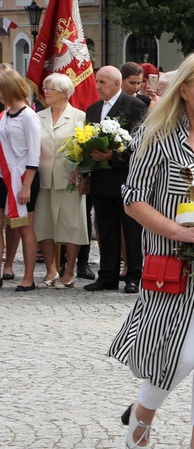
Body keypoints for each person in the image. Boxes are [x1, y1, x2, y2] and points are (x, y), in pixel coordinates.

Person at [107, 51, 194, 449]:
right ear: (184, 92)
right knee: (180, 353)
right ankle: (142, 414)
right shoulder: (157, 135)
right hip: (170, 262)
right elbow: (133, 200)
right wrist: (179, 231)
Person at [83, 66, 147, 293]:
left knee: (131, 230)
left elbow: (140, 144)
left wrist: (114, 156)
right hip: (100, 180)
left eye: (102, 82)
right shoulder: (92, 109)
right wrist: (84, 171)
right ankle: (107, 275)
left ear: (117, 84)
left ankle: (134, 276)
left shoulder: (135, 106)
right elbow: (85, 142)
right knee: (106, 228)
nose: (97, 86)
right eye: (97, 81)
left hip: (125, 178)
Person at [34, 73, 88, 289]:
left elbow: (86, 149)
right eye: (45, 87)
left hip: (69, 179)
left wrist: (82, 173)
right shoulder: (38, 116)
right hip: (44, 178)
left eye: (51, 88)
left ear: (65, 93)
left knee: (72, 224)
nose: (46, 91)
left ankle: (70, 270)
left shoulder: (79, 117)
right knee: (43, 224)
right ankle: (51, 270)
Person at [0, 70, 41, 291]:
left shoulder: (28, 116)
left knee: (26, 228)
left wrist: (26, 186)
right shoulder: (6, 114)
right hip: (6, 176)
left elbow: (34, 153)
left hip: (26, 178)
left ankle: (29, 277)